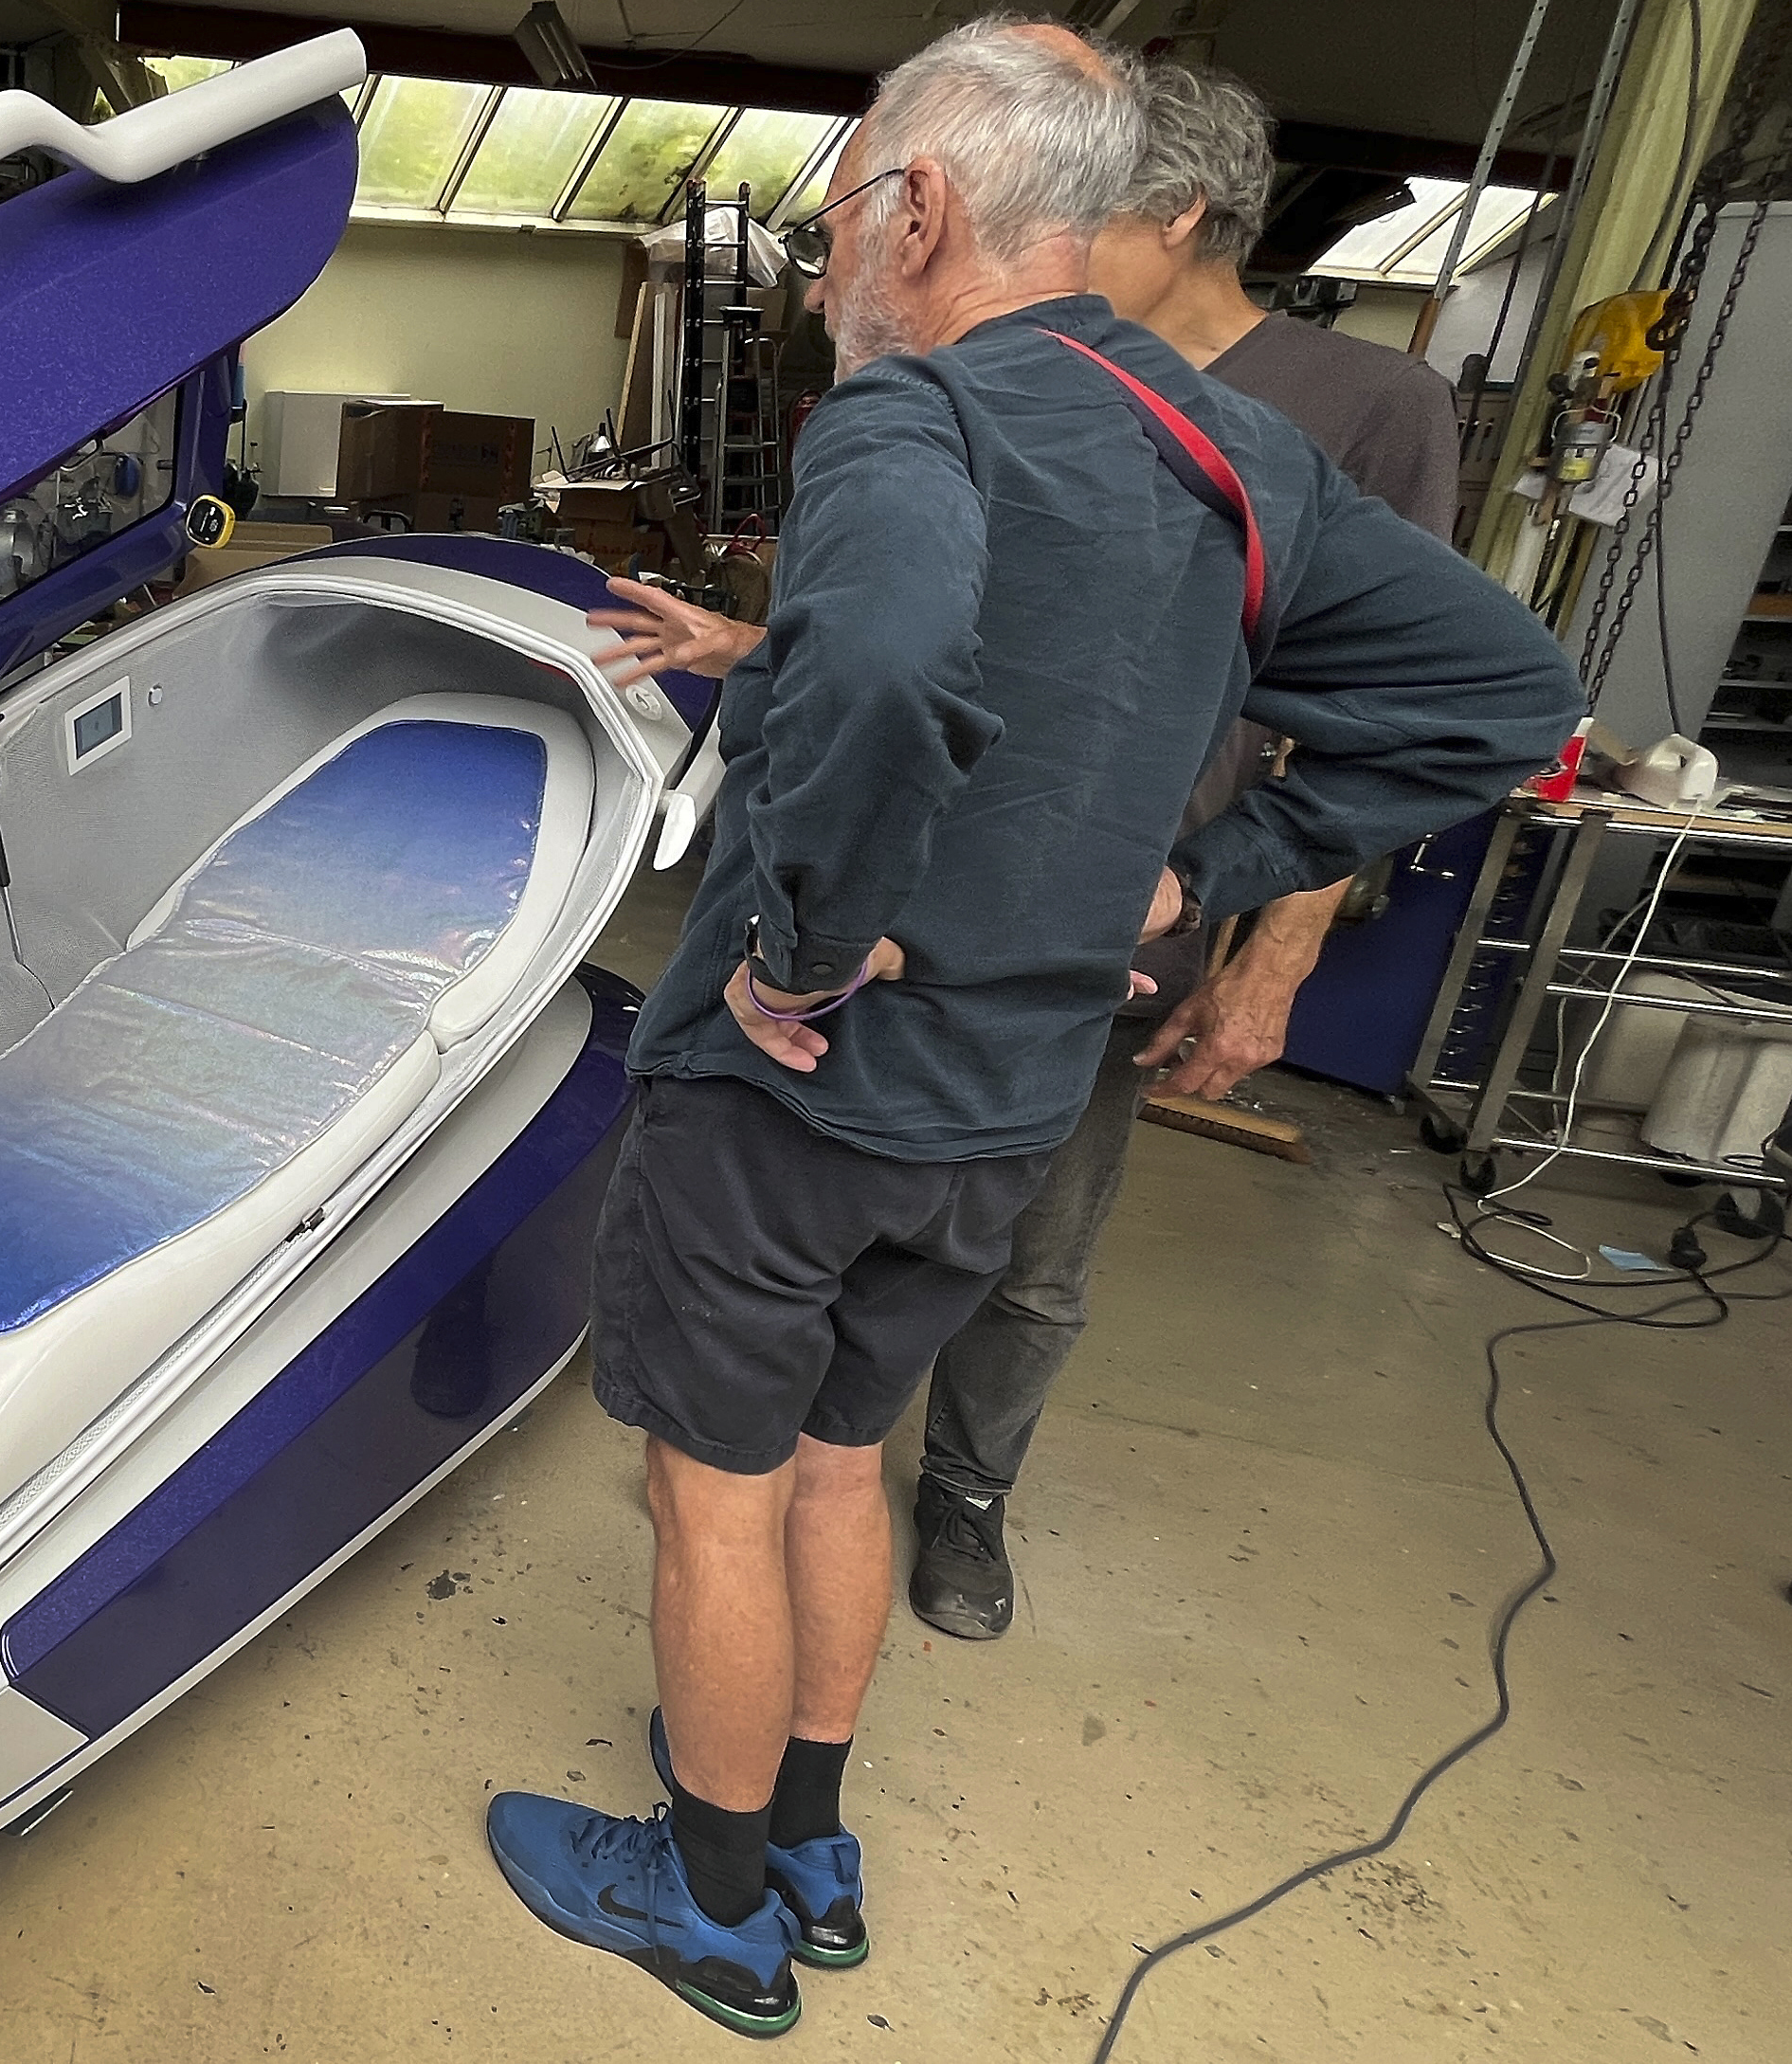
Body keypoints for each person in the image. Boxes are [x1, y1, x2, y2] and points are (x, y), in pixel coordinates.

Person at [484, 18, 1580, 2040]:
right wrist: (1218, 860)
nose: (824, 281)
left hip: (796, 1101)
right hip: (1006, 1104)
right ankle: (807, 1843)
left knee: (709, 1488)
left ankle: (705, 1906)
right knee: (841, 1461)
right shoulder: (1230, 444)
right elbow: (1510, 698)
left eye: (830, 235)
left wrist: (808, 945)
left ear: (918, 209)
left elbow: (892, 661)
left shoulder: (914, 421)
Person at [906, 60, 1473, 1641]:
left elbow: (1378, 721)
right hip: (930, 873)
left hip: (1128, 910)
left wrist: (1273, 955)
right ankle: (798, 1448)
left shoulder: (1368, 409)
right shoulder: (1024, 368)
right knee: (843, 1194)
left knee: (1036, 1242)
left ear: (1179, 212)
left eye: (1082, 202)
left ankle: (965, 1484)